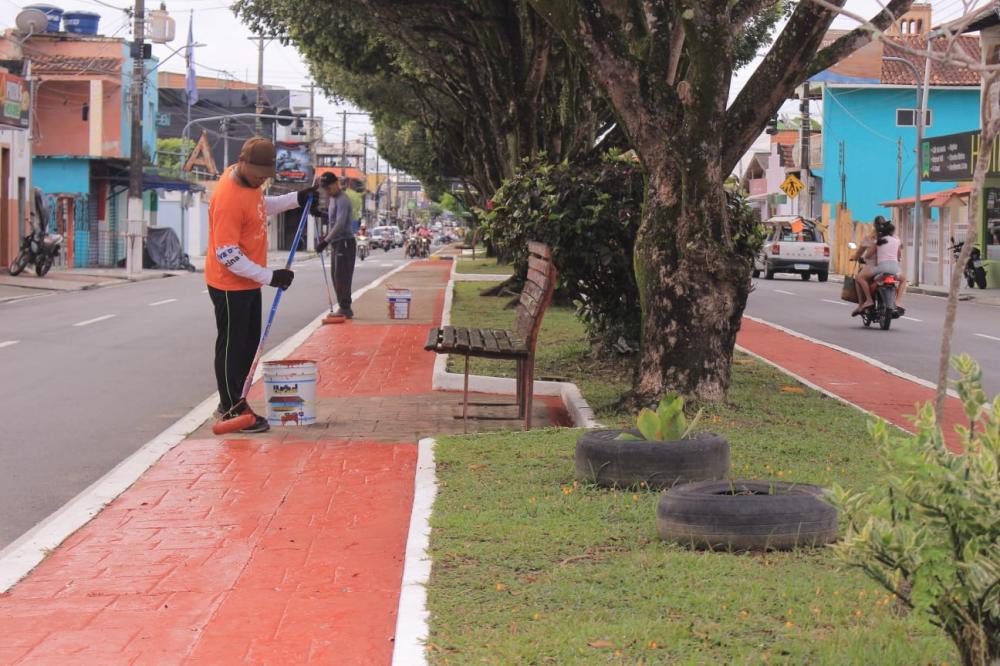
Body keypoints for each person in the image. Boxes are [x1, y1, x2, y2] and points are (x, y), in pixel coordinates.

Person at [207, 137, 317, 433]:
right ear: (242, 163)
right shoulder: (227, 197)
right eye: (256, 174)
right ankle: (231, 409)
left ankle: (233, 400)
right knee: (232, 348)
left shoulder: (250, 187)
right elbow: (226, 254)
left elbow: (259, 207)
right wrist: (271, 277)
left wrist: (297, 198)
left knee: (248, 346)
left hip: (248, 283)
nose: (260, 180)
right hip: (228, 285)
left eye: (264, 176)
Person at [314, 172, 356, 318]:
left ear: (336, 184)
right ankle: (343, 307)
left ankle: (345, 308)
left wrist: (325, 241)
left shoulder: (343, 200)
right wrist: (320, 214)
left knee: (342, 276)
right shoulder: (333, 199)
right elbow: (333, 218)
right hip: (337, 243)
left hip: (345, 242)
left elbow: (340, 223)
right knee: (335, 276)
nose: (327, 191)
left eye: (329, 188)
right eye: (325, 188)